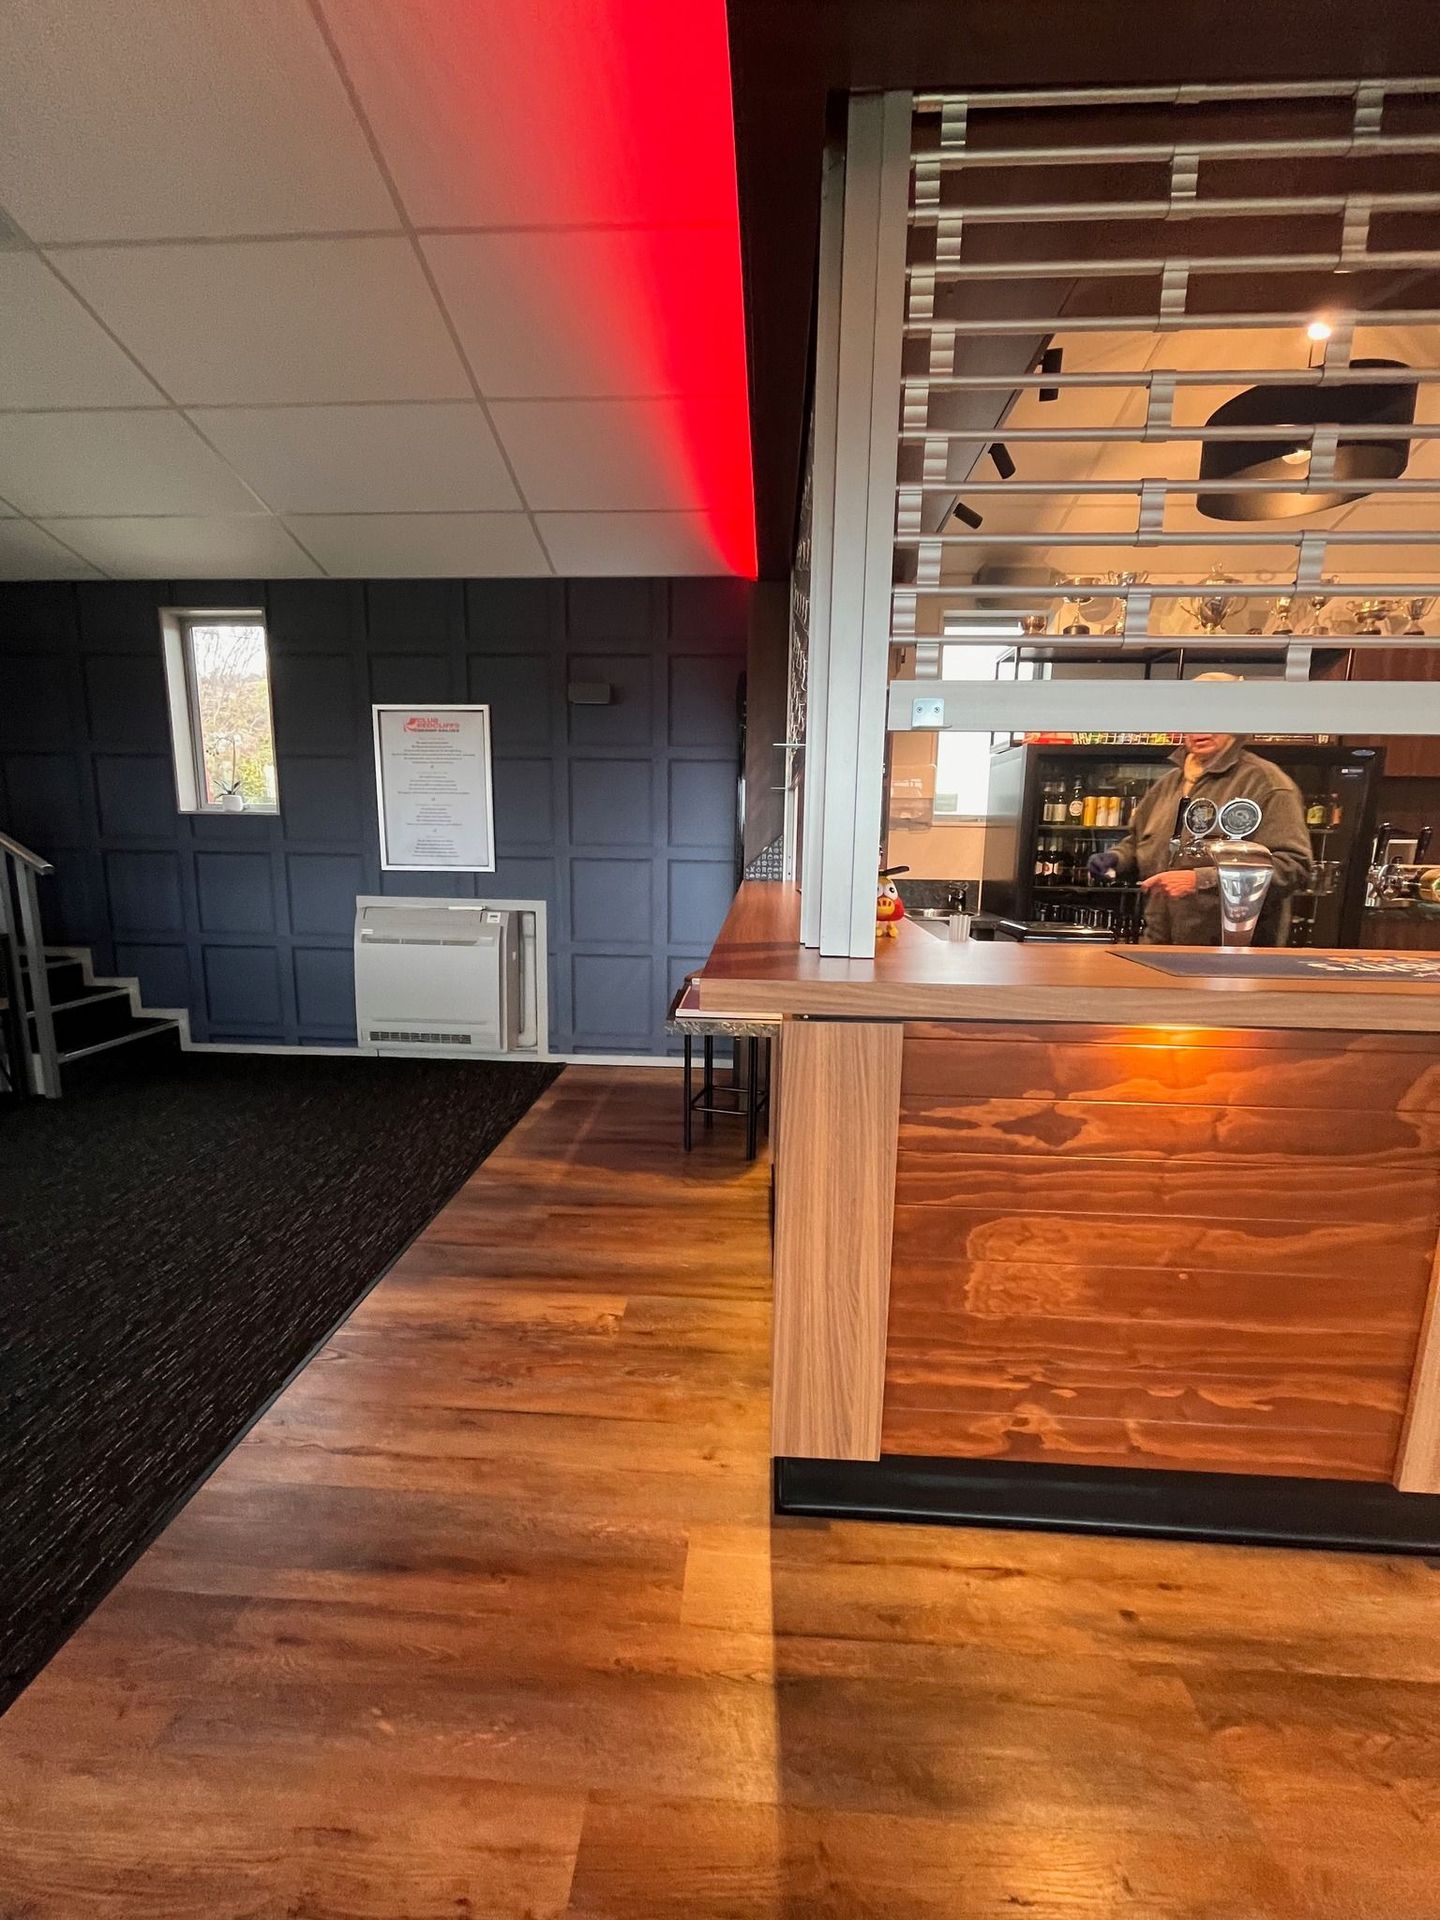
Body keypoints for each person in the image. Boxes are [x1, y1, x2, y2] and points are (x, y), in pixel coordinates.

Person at [1090, 681, 1312, 945]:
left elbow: (1293, 867)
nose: (1200, 729)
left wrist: (1201, 880)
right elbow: (1140, 842)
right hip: (1158, 944)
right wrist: (1116, 859)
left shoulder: (1266, 783)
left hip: (1231, 955)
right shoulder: (1169, 783)